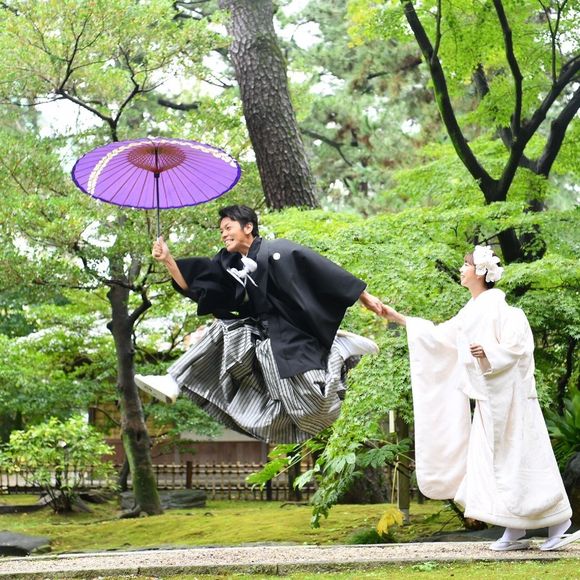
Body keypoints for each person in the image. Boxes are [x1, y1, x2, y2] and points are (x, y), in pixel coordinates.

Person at [381, 245, 578, 551]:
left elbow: (519, 349)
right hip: (488, 402)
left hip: (514, 401)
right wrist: (397, 317)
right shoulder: (469, 313)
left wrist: (488, 353)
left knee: (525, 459)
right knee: (492, 464)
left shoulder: (506, 311)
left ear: (481, 272)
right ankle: (514, 528)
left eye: (466, 265)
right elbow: (439, 337)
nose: (461, 269)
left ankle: (558, 522)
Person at [136, 204, 383, 443]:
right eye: (221, 230)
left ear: (248, 227)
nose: (223, 234)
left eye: (228, 227)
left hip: (295, 332)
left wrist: (363, 296)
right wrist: (168, 260)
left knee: (316, 404)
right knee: (292, 415)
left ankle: (337, 348)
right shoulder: (228, 264)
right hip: (260, 339)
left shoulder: (277, 250)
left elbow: (321, 270)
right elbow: (201, 288)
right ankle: (174, 380)